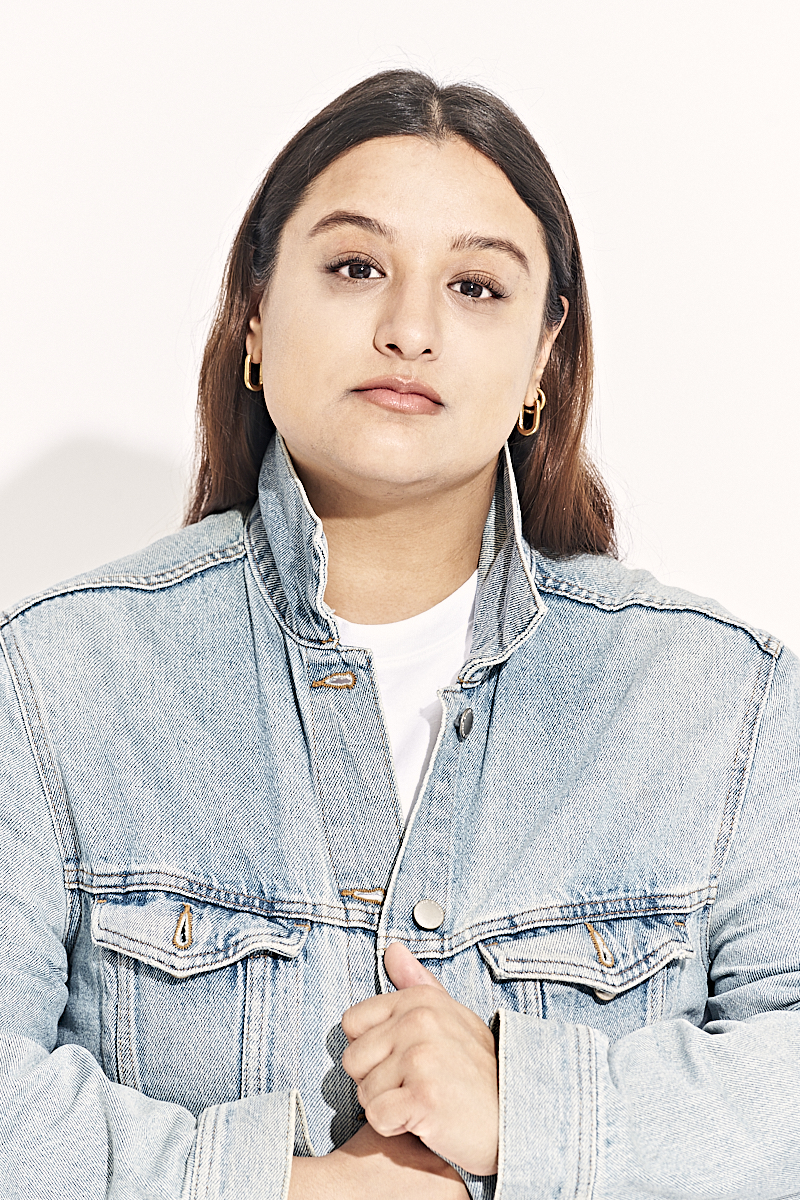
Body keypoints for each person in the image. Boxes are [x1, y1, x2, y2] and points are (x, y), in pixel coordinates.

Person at [1, 67, 798, 1200]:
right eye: (356, 267)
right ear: (257, 316)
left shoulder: (723, 703)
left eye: (475, 286)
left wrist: (530, 1112)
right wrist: (284, 1188)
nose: (409, 330)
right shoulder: (54, 681)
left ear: (541, 355)